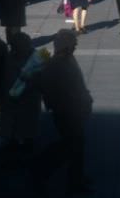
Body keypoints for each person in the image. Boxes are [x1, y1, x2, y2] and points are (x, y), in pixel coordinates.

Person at [33, 30, 93, 195]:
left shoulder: (65, 59)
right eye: (73, 43)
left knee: (76, 146)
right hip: (67, 112)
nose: (75, 46)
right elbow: (52, 90)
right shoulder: (55, 65)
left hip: (74, 110)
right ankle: (43, 169)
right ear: (66, 46)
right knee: (71, 146)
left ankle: (76, 179)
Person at [0, 33, 42, 152]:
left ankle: (24, 143)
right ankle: (15, 143)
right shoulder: (10, 58)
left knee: (26, 124)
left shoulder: (34, 58)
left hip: (27, 99)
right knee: (16, 123)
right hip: (16, 99)